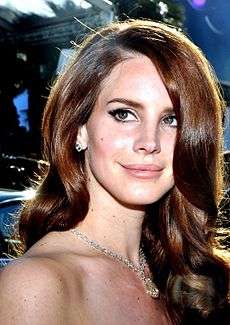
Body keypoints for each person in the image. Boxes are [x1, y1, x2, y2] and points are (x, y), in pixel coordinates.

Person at [0, 19, 229, 325]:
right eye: (123, 114)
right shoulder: (37, 285)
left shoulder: (182, 273)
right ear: (78, 128)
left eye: (172, 119)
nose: (149, 143)